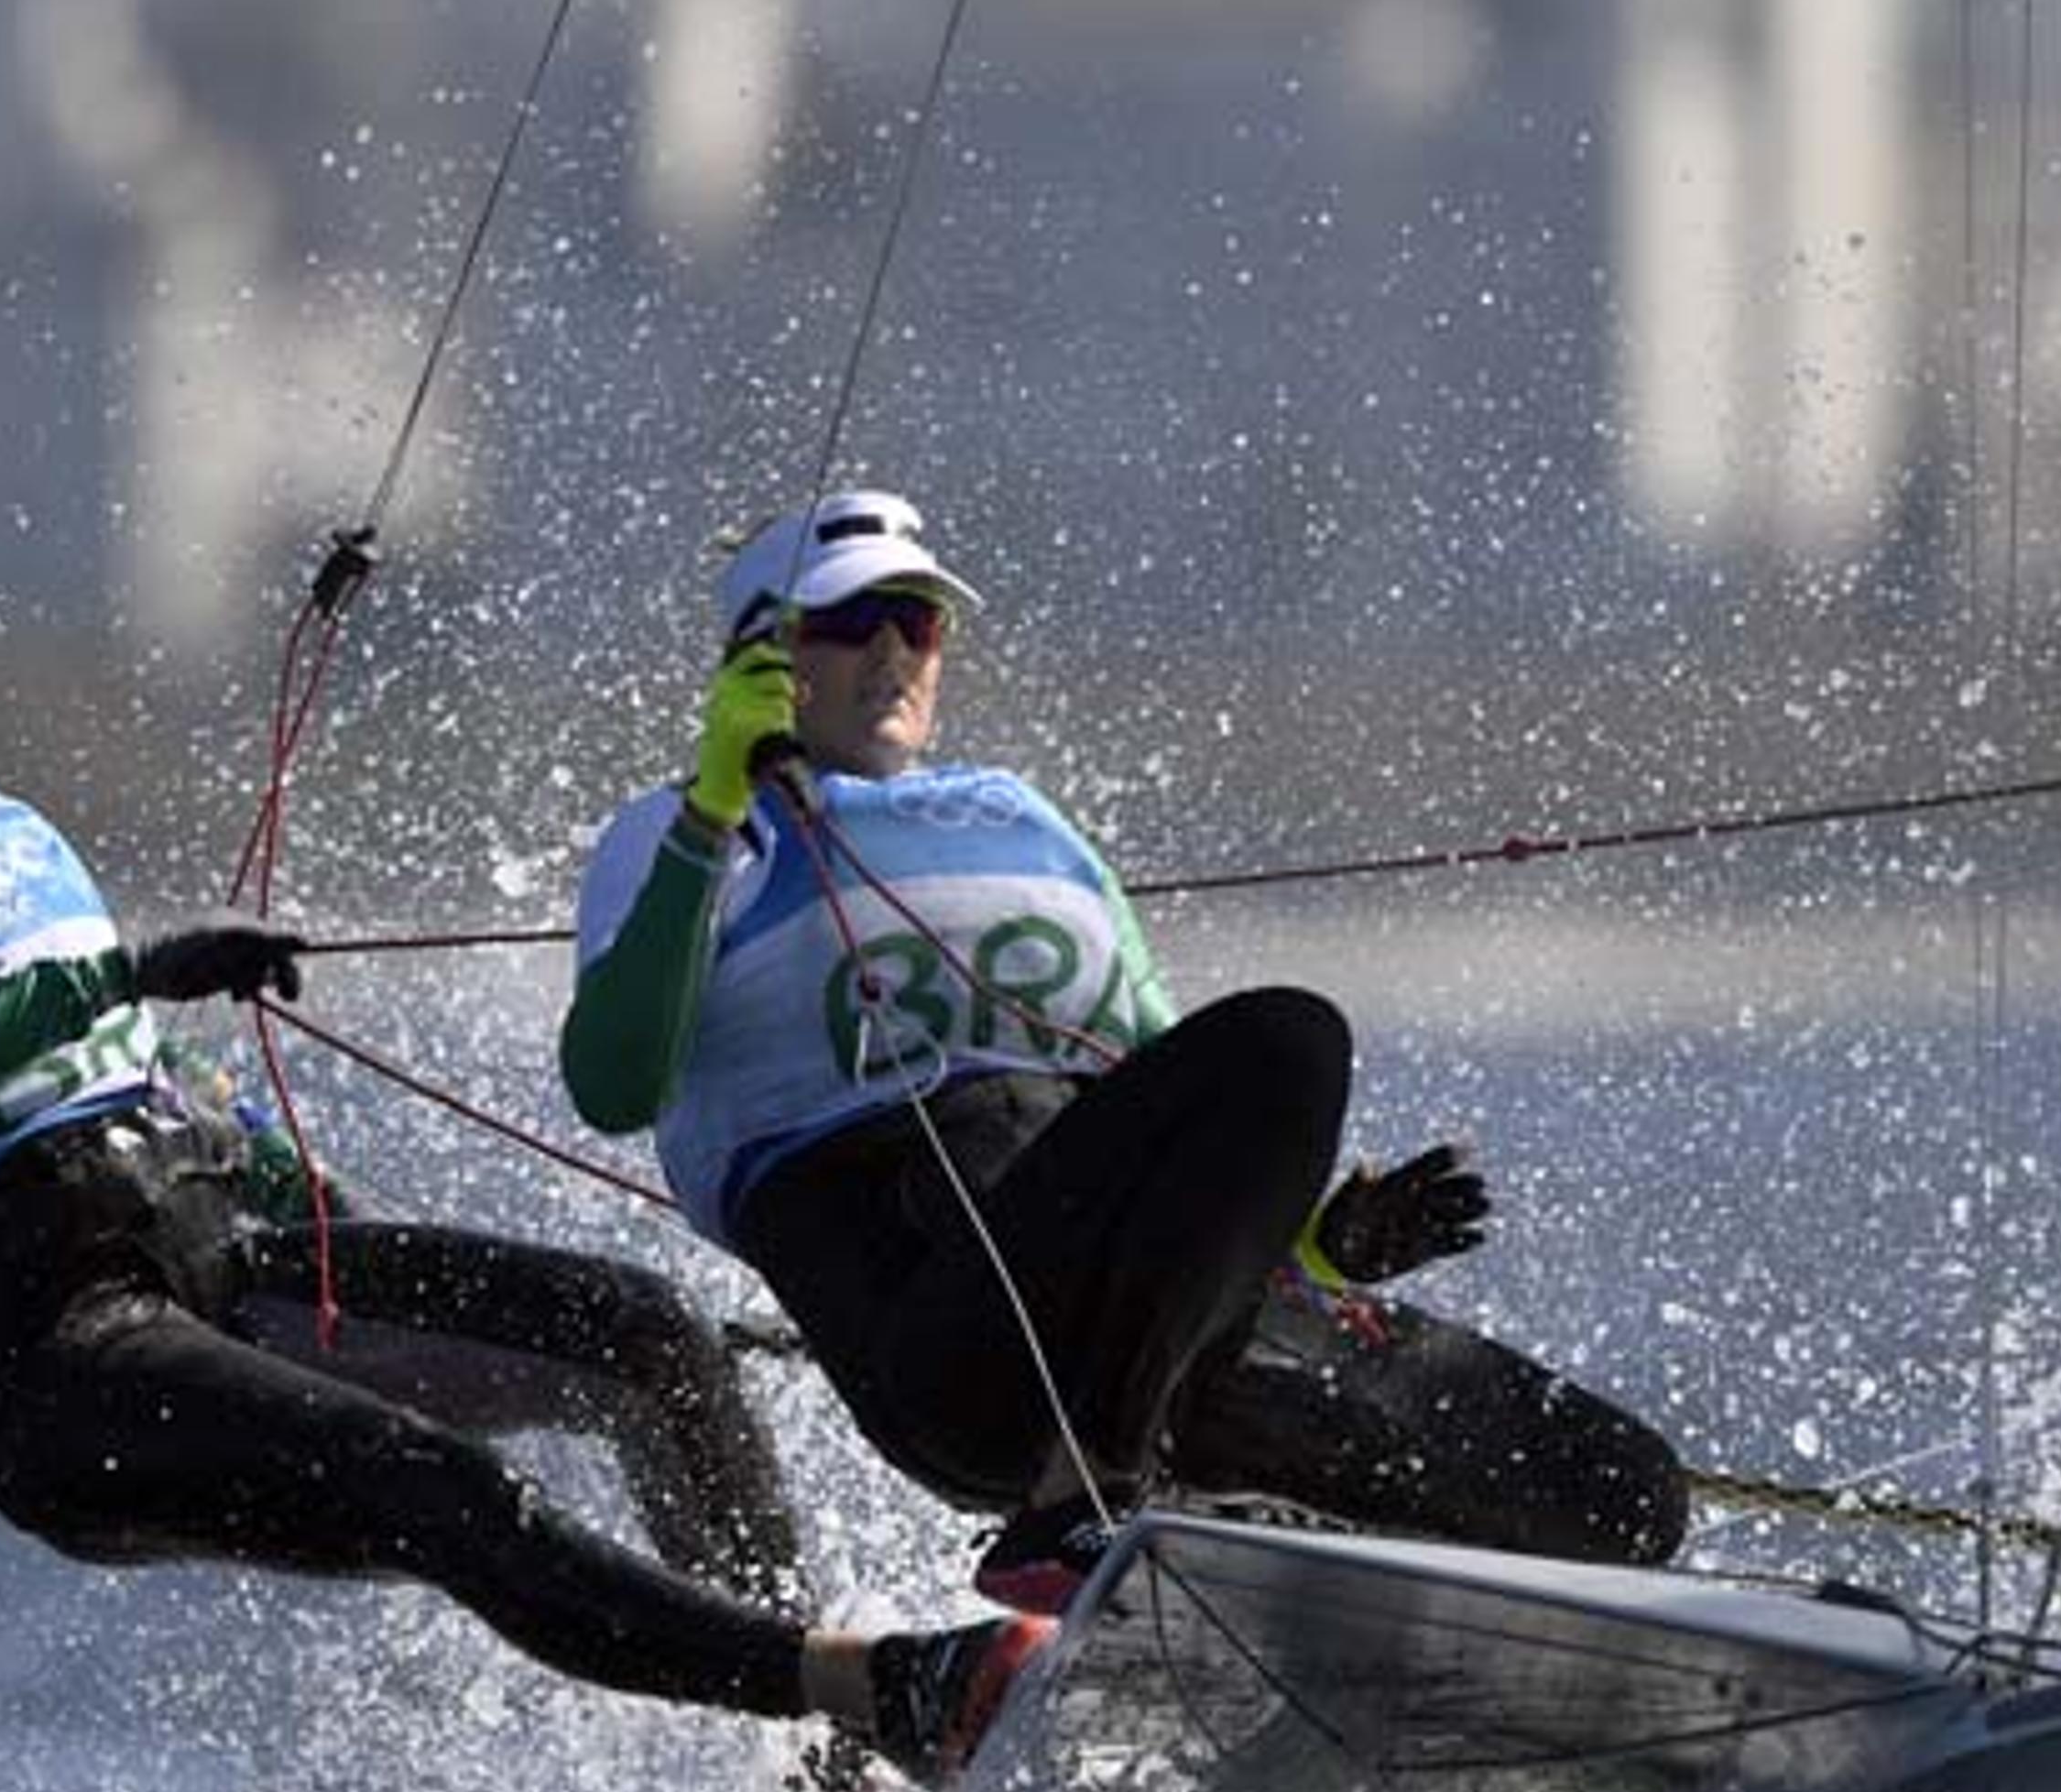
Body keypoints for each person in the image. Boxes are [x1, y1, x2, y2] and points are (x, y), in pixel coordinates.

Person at [0, 487, 1044, 1787]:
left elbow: (137, 1074)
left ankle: (840, 1766)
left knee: (644, 1333)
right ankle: (875, 1689)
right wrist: (133, 969)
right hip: (45, 1356)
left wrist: (331, 1214)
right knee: (428, 1485)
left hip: (220, 1259)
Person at [561, 487, 1687, 1613]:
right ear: (762, 656)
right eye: (854, 623)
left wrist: (1316, 1246)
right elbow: (613, 1086)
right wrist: (716, 798)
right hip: (968, 1352)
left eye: (922, 624)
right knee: (1288, 1037)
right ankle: (1076, 1501)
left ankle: (1405, 1615)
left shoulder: (1020, 818)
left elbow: (1165, 1116)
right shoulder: (688, 837)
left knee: (1623, 1495)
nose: (895, 653)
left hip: (1175, 1352)